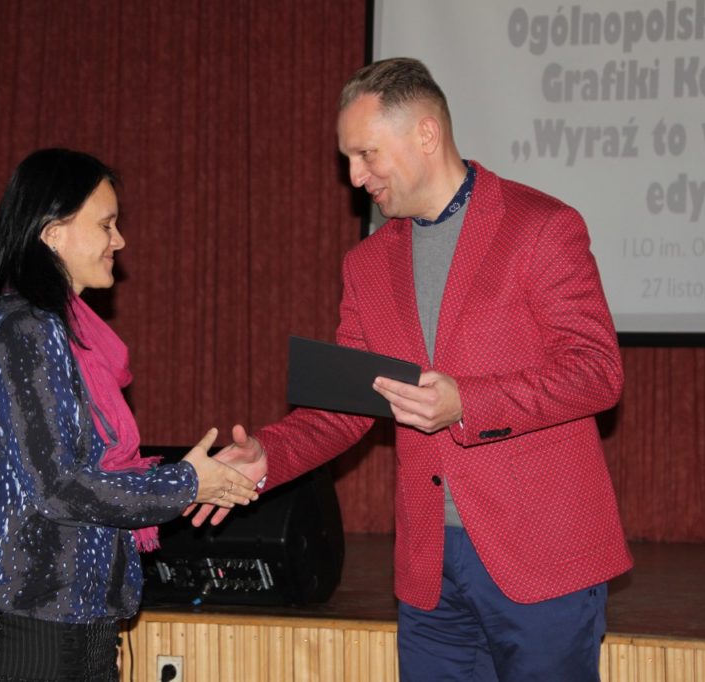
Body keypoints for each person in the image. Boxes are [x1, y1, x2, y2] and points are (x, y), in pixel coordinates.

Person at [193, 58, 633, 681]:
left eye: (366, 154)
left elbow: (596, 372)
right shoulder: (367, 264)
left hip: (541, 558)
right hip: (430, 570)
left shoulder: (542, 227)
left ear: (426, 134)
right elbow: (346, 407)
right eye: (348, 159)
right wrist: (269, 456)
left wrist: (468, 403)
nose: (354, 176)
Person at [0, 148, 259, 682]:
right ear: (52, 233)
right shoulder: (25, 329)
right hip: (26, 631)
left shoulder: (54, 330)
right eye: (106, 225)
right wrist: (187, 482)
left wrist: (197, 478)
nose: (120, 241)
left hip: (70, 625)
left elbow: (82, 476)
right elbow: (60, 487)